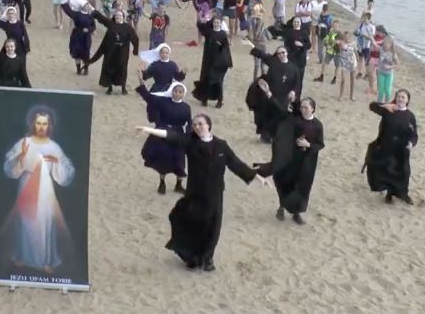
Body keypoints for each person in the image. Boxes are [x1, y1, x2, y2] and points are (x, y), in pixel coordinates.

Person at [134, 115, 269, 271]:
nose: (197, 127)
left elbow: (236, 164)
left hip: (215, 194)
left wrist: (258, 178)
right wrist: (148, 130)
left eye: (200, 124)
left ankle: (208, 258)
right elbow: (171, 135)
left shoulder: (221, 146)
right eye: (194, 124)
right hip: (195, 194)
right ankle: (192, 257)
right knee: (192, 224)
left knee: (213, 228)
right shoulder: (190, 142)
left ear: (209, 125)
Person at [3, 109, 74, 273]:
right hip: (27, 183)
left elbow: (65, 169)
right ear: (33, 124)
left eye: (44, 124)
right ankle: (23, 256)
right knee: (26, 220)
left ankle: (44, 260)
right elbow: (10, 165)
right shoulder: (25, 142)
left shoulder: (53, 146)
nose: (41, 127)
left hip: (45, 188)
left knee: (44, 221)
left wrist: (57, 162)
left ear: (49, 126)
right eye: (38, 123)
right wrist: (21, 157)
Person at [253, 81, 324, 225]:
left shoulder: (318, 125)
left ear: (312, 110)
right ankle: (281, 206)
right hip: (289, 157)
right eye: (302, 107)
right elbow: (278, 108)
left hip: (305, 162)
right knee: (284, 182)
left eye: (306, 108)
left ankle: (296, 212)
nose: (303, 110)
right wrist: (268, 93)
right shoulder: (293, 120)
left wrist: (308, 144)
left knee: (301, 186)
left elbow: (320, 144)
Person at [135, 79, 191, 194]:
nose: (178, 93)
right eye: (176, 91)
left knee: (179, 159)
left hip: (178, 134)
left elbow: (189, 122)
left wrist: (188, 136)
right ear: (172, 91)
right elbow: (149, 98)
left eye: (180, 92)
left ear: (183, 94)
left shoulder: (186, 107)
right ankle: (162, 183)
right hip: (163, 132)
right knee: (164, 158)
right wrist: (142, 84)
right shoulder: (163, 102)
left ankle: (178, 184)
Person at [363, 90, 418, 205]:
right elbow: (372, 106)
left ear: (407, 100)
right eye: (398, 97)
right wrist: (385, 105)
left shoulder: (410, 116)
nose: (400, 99)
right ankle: (389, 194)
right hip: (386, 146)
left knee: (403, 172)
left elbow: (414, 135)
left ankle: (404, 194)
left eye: (403, 97)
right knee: (386, 170)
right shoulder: (388, 110)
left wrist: (411, 143)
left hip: (401, 150)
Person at [87, 8, 139, 95]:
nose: (118, 17)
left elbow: (135, 38)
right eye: (117, 16)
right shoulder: (111, 24)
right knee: (109, 69)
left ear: (123, 17)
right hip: (111, 52)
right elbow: (102, 19)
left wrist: (135, 50)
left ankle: (123, 88)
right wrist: (95, 13)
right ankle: (110, 87)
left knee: (122, 70)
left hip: (122, 52)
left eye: (120, 16)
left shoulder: (128, 27)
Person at [191, 16, 232, 108]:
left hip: (218, 62)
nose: (216, 24)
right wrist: (207, 20)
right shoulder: (209, 32)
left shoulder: (223, 34)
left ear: (221, 23)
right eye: (214, 22)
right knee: (206, 79)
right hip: (208, 60)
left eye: (218, 22)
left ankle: (220, 100)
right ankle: (204, 99)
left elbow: (225, 49)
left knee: (218, 82)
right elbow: (200, 26)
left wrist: (227, 62)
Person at [61, 0, 96, 74]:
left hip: (86, 37)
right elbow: (67, 10)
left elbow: (93, 26)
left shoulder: (90, 16)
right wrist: (67, 0)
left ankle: (86, 69)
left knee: (86, 52)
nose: (88, 6)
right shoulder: (77, 14)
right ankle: (78, 69)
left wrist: (88, 29)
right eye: (87, 5)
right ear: (83, 6)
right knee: (77, 52)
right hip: (77, 35)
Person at [283, 17, 311, 95]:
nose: (296, 23)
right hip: (291, 59)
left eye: (298, 22)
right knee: (290, 78)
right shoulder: (289, 32)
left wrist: (302, 44)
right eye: (295, 22)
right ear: (292, 23)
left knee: (299, 80)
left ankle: (297, 97)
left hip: (301, 60)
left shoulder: (304, 33)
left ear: (300, 23)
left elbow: (309, 45)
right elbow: (286, 45)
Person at [377, 36, 399, 103]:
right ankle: (379, 103)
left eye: (387, 44)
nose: (385, 45)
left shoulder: (393, 54)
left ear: (391, 44)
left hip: (389, 74)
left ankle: (387, 103)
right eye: (384, 43)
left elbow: (397, 65)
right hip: (381, 72)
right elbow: (375, 44)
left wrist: (390, 67)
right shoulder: (381, 50)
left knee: (387, 90)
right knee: (381, 90)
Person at [338, 31, 358, 101]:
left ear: (350, 37)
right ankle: (341, 95)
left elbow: (356, 53)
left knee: (352, 80)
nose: (346, 38)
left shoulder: (353, 44)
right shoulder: (342, 43)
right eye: (345, 37)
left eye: (347, 37)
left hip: (352, 62)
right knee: (343, 79)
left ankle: (351, 96)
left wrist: (357, 62)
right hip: (344, 62)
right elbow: (340, 52)